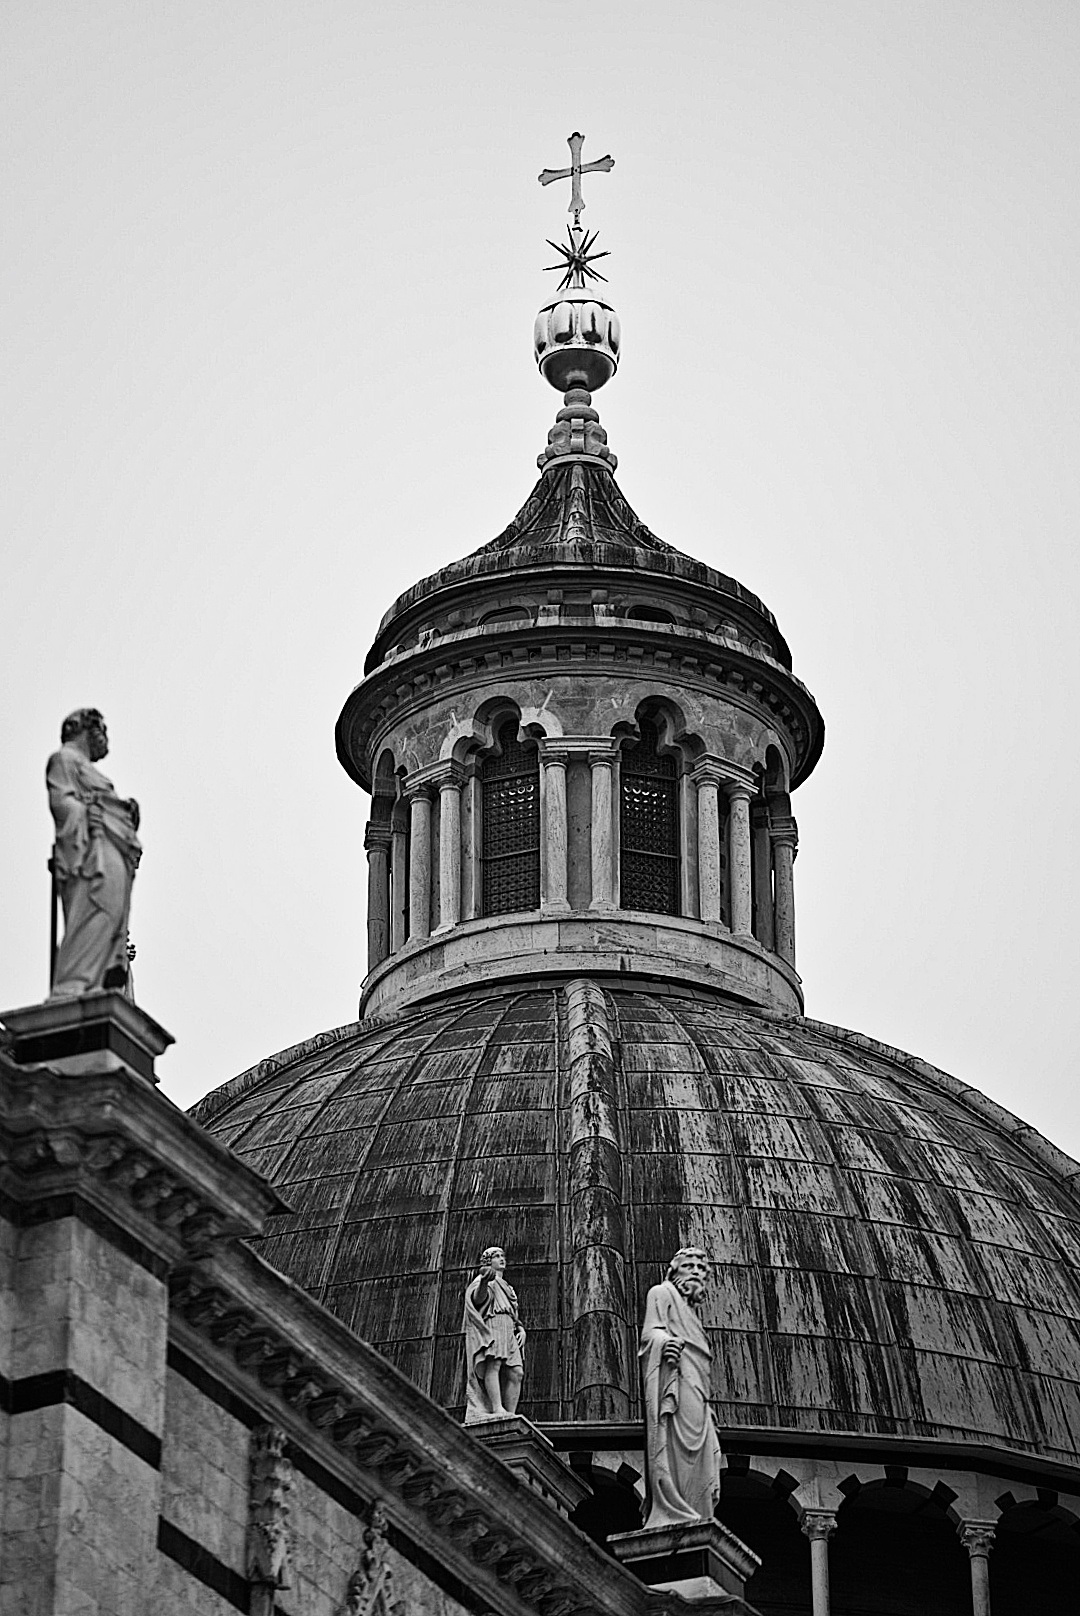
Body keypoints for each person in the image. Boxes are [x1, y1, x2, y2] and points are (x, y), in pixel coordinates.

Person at [47, 709, 142, 999]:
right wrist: (93, 812)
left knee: (109, 918)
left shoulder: (87, 768)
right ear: (86, 728)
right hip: (90, 856)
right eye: (102, 728)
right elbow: (63, 804)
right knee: (91, 915)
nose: (105, 736)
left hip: (111, 853)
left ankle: (101, 981)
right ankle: (75, 983)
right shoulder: (63, 759)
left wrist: (124, 814)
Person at [639, 1247, 722, 1528]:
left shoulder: (691, 1315)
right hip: (675, 1380)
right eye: (690, 1266)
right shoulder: (661, 1293)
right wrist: (665, 1343)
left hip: (697, 1388)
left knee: (706, 1456)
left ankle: (696, 1512)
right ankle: (675, 1508)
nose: (696, 1272)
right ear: (675, 1271)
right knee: (677, 1445)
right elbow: (651, 1332)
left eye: (702, 1268)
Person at [461, 1246, 526, 1423]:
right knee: (494, 1365)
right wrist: (483, 1282)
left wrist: (520, 1328)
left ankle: (510, 1413)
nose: (501, 1259)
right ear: (488, 1261)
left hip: (508, 1328)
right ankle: (497, 1408)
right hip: (493, 1324)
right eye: (497, 1256)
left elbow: (513, 1312)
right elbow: (477, 1299)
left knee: (516, 1372)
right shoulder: (485, 1280)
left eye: (502, 1256)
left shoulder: (508, 1287)